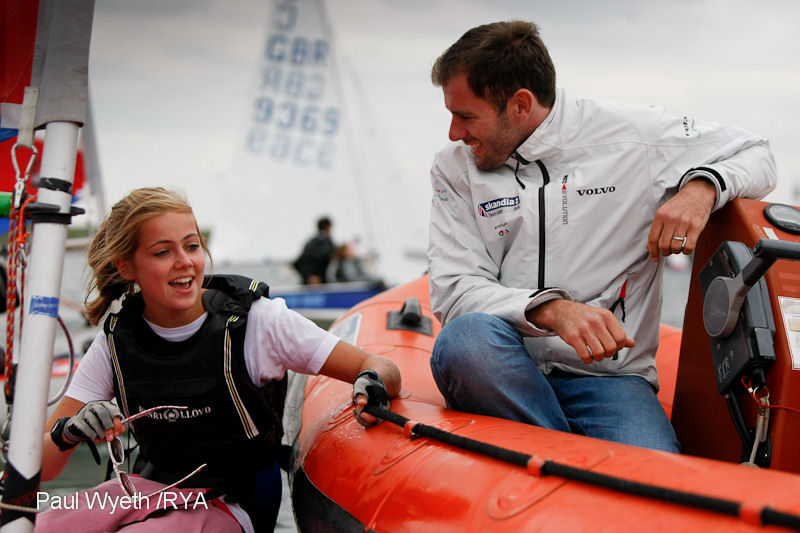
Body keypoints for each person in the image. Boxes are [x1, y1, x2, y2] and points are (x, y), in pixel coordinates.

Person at [426, 21, 776, 453]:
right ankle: (576, 464)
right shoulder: (453, 168)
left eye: (465, 116)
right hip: (505, 368)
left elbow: (758, 153)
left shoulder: (634, 136)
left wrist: (702, 187)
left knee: (658, 490)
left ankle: (558, 466)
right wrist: (553, 311)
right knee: (464, 342)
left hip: (611, 379)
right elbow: (454, 292)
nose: (454, 133)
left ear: (520, 104)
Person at [39, 188, 401, 532]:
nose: (185, 262)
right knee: (40, 525)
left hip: (232, 505)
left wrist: (371, 382)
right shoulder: (115, 342)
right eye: (163, 252)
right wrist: (69, 432)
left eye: (192, 246)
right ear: (126, 267)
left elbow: (381, 367)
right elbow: (43, 468)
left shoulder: (259, 322)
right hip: (148, 489)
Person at [293, 216, 335, 284]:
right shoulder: (323, 242)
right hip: (317, 280)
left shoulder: (312, 241)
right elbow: (316, 258)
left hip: (312, 279)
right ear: (328, 227)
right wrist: (313, 275)